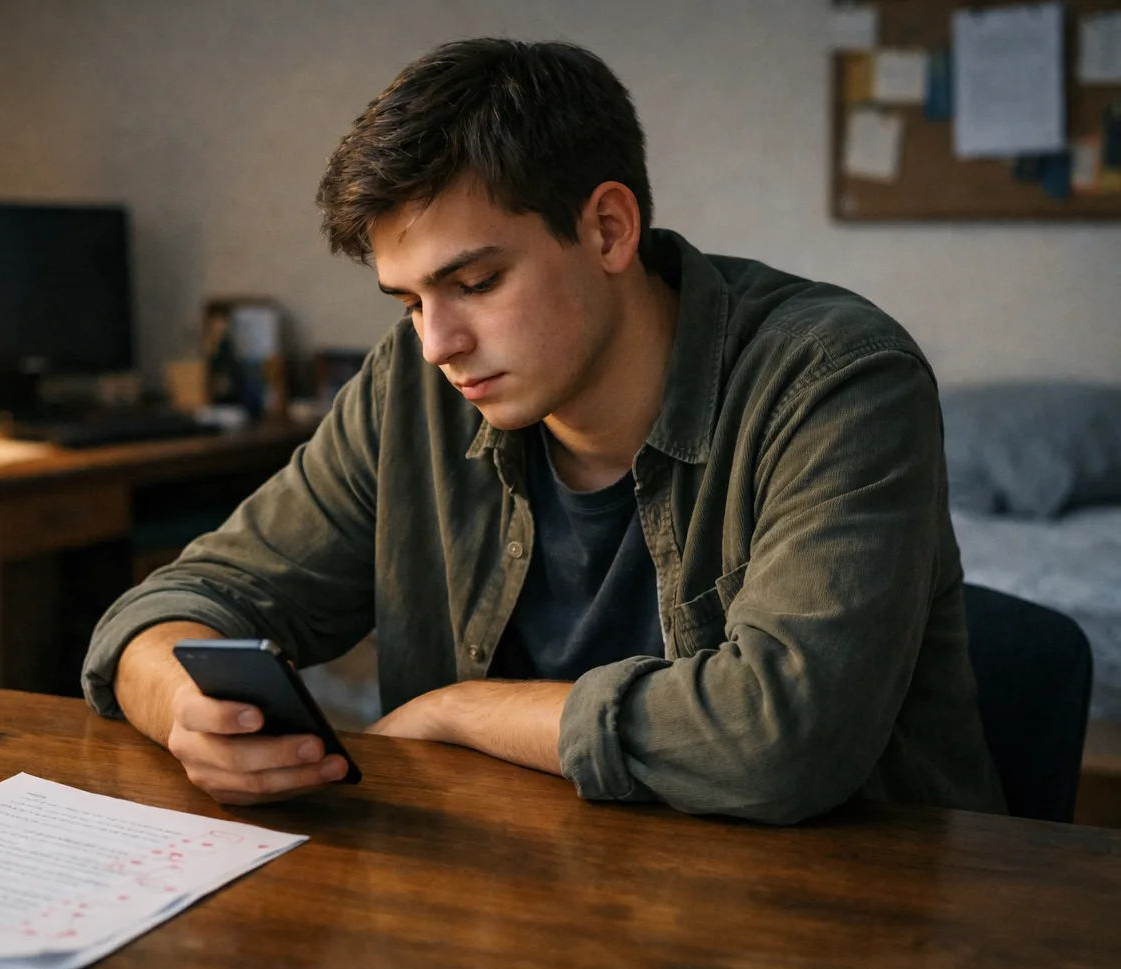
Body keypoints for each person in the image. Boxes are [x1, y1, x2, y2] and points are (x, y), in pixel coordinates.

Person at [81, 38, 1005, 824]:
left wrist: (460, 712)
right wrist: (184, 706)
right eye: (409, 301)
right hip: (522, 902)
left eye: (475, 283)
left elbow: (783, 738)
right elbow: (178, 603)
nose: (438, 343)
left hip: (847, 914)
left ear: (608, 229)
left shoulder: (837, 379)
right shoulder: (411, 385)